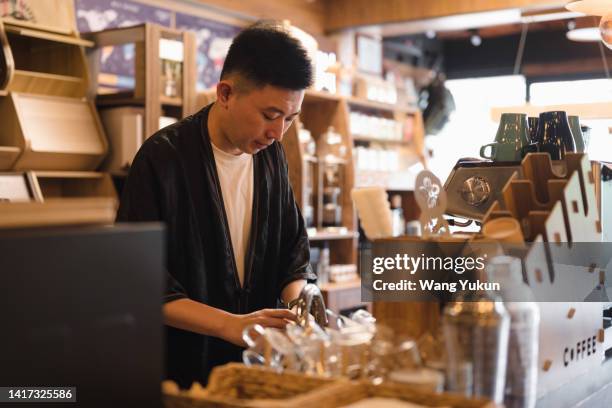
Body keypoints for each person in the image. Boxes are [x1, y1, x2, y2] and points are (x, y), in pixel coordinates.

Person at [116, 22, 316, 388]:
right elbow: (139, 282)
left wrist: (301, 304)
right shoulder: (163, 159)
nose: (278, 134)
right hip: (182, 372)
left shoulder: (272, 157)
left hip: (258, 368)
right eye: (270, 115)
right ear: (225, 93)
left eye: (290, 119)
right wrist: (231, 325)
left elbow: (292, 250)